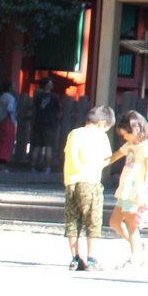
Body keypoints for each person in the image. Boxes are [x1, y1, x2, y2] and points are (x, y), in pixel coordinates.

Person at [62, 105, 114, 272]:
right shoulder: (100, 137)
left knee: (73, 220)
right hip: (90, 181)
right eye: (106, 128)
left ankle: (75, 258)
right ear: (102, 123)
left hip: (71, 181)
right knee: (93, 220)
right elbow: (104, 161)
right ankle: (91, 258)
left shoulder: (73, 133)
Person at [108, 110, 148, 268]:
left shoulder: (146, 145)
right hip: (125, 189)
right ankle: (138, 247)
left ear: (134, 130)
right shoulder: (129, 145)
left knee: (130, 221)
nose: (124, 137)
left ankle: (136, 255)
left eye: (125, 134)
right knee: (115, 222)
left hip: (135, 190)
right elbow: (114, 156)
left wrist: (145, 189)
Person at [31, 79, 60, 174]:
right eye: (50, 82)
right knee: (48, 147)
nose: (52, 83)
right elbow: (58, 110)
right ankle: (47, 168)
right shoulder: (54, 97)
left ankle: (32, 167)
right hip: (50, 124)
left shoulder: (38, 97)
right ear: (47, 85)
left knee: (37, 147)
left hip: (38, 124)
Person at [0, 85, 17, 164]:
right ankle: (4, 158)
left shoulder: (0, 97)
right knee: (7, 141)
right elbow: (10, 108)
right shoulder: (10, 98)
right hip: (8, 121)